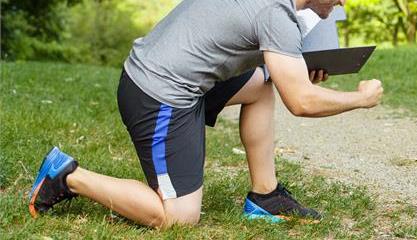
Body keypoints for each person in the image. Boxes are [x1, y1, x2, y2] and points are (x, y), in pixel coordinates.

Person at [28, 0, 383, 228]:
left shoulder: (273, 8)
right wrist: (360, 98)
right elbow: (301, 102)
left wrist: (298, 70)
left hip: (171, 72)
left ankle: (265, 195)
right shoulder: (277, 15)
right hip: (157, 93)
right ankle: (68, 176)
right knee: (178, 217)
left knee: (261, 85)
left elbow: (247, 42)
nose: (342, 2)